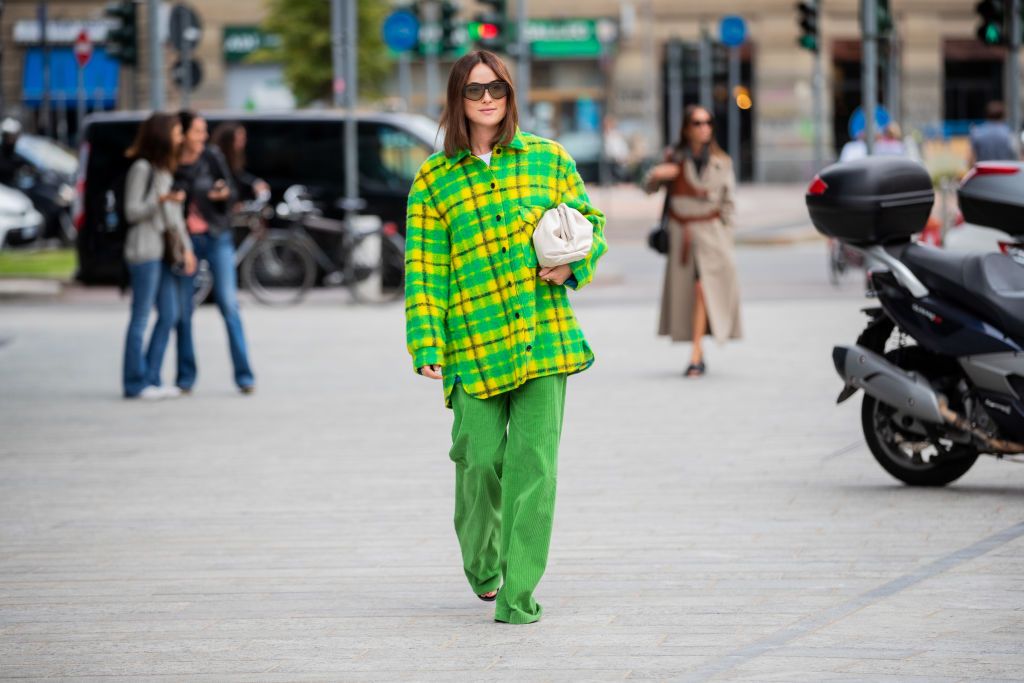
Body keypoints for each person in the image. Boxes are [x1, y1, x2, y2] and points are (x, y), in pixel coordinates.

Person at [404, 50, 607, 624]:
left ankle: (519, 595)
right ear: (457, 99)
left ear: (510, 93)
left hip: (545, 338)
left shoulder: (549, 160)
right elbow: (424, 270)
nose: (487, 98)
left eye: (496, 88)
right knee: (477, 460)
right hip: (471, 343)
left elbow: (590, 225)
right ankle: (484, 563)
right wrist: (425, 343)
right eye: (474, 90)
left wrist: (573, 268)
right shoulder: (435, 179)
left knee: (534, 467)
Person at [643, 105, 742, 376]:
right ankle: (698, 348)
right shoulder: (673, 157)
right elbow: (648, 189)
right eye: (697, 123)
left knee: (703, 290)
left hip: (713, 237)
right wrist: (657, 175)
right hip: (682, 236)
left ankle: (696, 352)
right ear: (687, 128)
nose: (704, 128)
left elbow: (729, 203)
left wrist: (725, 232)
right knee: (691, 293)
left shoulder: (722, 161)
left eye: (708, 122)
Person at [174, 110, 256, 395]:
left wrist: (223, 194)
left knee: (228, 304)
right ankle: (185, 377)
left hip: (216, 234)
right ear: (182, 134)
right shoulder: (172, 162)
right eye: (197, 131)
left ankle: (244, 376)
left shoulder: (211, 157)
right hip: (186, 242)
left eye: (204, 131)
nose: (203, 136)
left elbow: (231, 189)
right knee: (183, 310)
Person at [121, 112, 196, 399]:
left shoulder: (165, 170)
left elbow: (175, 219)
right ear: (163, 135)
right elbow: (132, 211)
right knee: (140, 317)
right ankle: (134, 383)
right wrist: (160, 200)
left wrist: (187, 249)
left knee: (170, 314)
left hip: (166, 252)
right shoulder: (143, 168)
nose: (181, 137)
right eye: (178, 132)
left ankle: (151, 377)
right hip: (144, 250)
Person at [211, 122, 271, 202]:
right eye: (240, 139)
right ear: (228, 140)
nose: (243, 143)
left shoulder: (235, 157)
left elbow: (239, 175)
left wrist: (255, 182)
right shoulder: (217, 158)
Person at [0, 117, 29, 187]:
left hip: (12, 190)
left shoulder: (16, 155)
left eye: (14, 137)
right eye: (9, 137)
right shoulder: (2, 154)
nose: (11, 140)